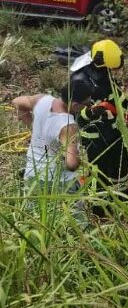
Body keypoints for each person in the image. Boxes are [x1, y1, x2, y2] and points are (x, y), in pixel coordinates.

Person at [69, 39, 128, 218]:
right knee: (98, 172)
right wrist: (94, 112)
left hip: (111, 131)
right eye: (110, 68)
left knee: (121, 161)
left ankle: (123, 199)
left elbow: (117, 96)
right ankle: (99, 209)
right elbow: (76, 114)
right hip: (94, 136)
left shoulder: (104, 76)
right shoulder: (80, 80)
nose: (111, 72)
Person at [12, 84, 90, 219]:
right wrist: (78, 158)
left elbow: (17, 102)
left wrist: (32, 126)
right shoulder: (67, 125)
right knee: (74, 224)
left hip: (33, 173)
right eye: (86, 104)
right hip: (59, 181)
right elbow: (71, 164)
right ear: (76, 105)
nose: (88, 106)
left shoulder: (42, 100)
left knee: (36, 218)